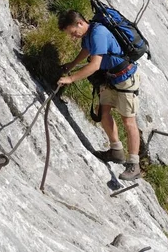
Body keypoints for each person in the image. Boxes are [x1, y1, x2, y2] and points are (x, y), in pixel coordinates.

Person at [57, 10, 141, 181]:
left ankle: (134, 164)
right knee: (103, 111)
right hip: (111, 77)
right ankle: (116, 150)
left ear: (80, 23)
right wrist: (71, 65)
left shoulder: (98, 32)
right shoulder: (88, 35)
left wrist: (71, 79)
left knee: (128, 120)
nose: (73, 36)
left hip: (126, 78)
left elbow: (95, 65)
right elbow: (87, 51)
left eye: (73, 32)